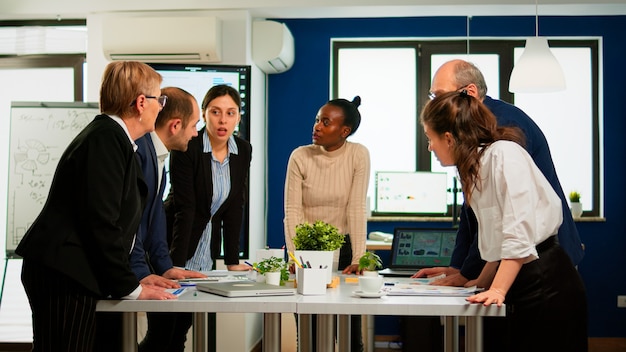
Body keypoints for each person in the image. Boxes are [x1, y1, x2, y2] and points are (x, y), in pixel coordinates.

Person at [403, 59, 586, 352]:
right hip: (520, 273)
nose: (429, 148)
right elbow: (494, 237)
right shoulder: (477, 164)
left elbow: (518, 233)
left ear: (449, 137)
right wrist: (477, 281)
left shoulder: (503, 155)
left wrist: (497, 288)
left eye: (430, 139)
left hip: (544, 279)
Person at [15, 61, 177, 352]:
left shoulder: (114, 139)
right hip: (64, 274)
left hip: (74, 272)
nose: (161, 106)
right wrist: (133, 288)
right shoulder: (105, 139)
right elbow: (102, 223)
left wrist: (134, 280)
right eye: (159, 99)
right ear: (141, 103)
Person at [139, 84, 252, 352]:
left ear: (238, 117)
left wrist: (233, 260)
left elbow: (236, 204)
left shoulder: (242, 150)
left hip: (204, 249)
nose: (223, 120)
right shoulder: (187, 145)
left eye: (230, 112)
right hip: (173, 242)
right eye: (215, 112)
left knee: (181, 330)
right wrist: (173, 264)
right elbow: (185, 208)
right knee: (163, 331)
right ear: (203, 114)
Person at [284, 96, 370, 351]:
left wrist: (359, 257)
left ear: (345, 131)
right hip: (306, 251)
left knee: (349, 335)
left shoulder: (358, 154)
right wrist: (295, 257)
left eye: (325, 122)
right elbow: (292, 210)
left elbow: (356, 207)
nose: (317, 127)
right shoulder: (300, 156)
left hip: (343, 252)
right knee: (309, 334)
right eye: (317, 120)